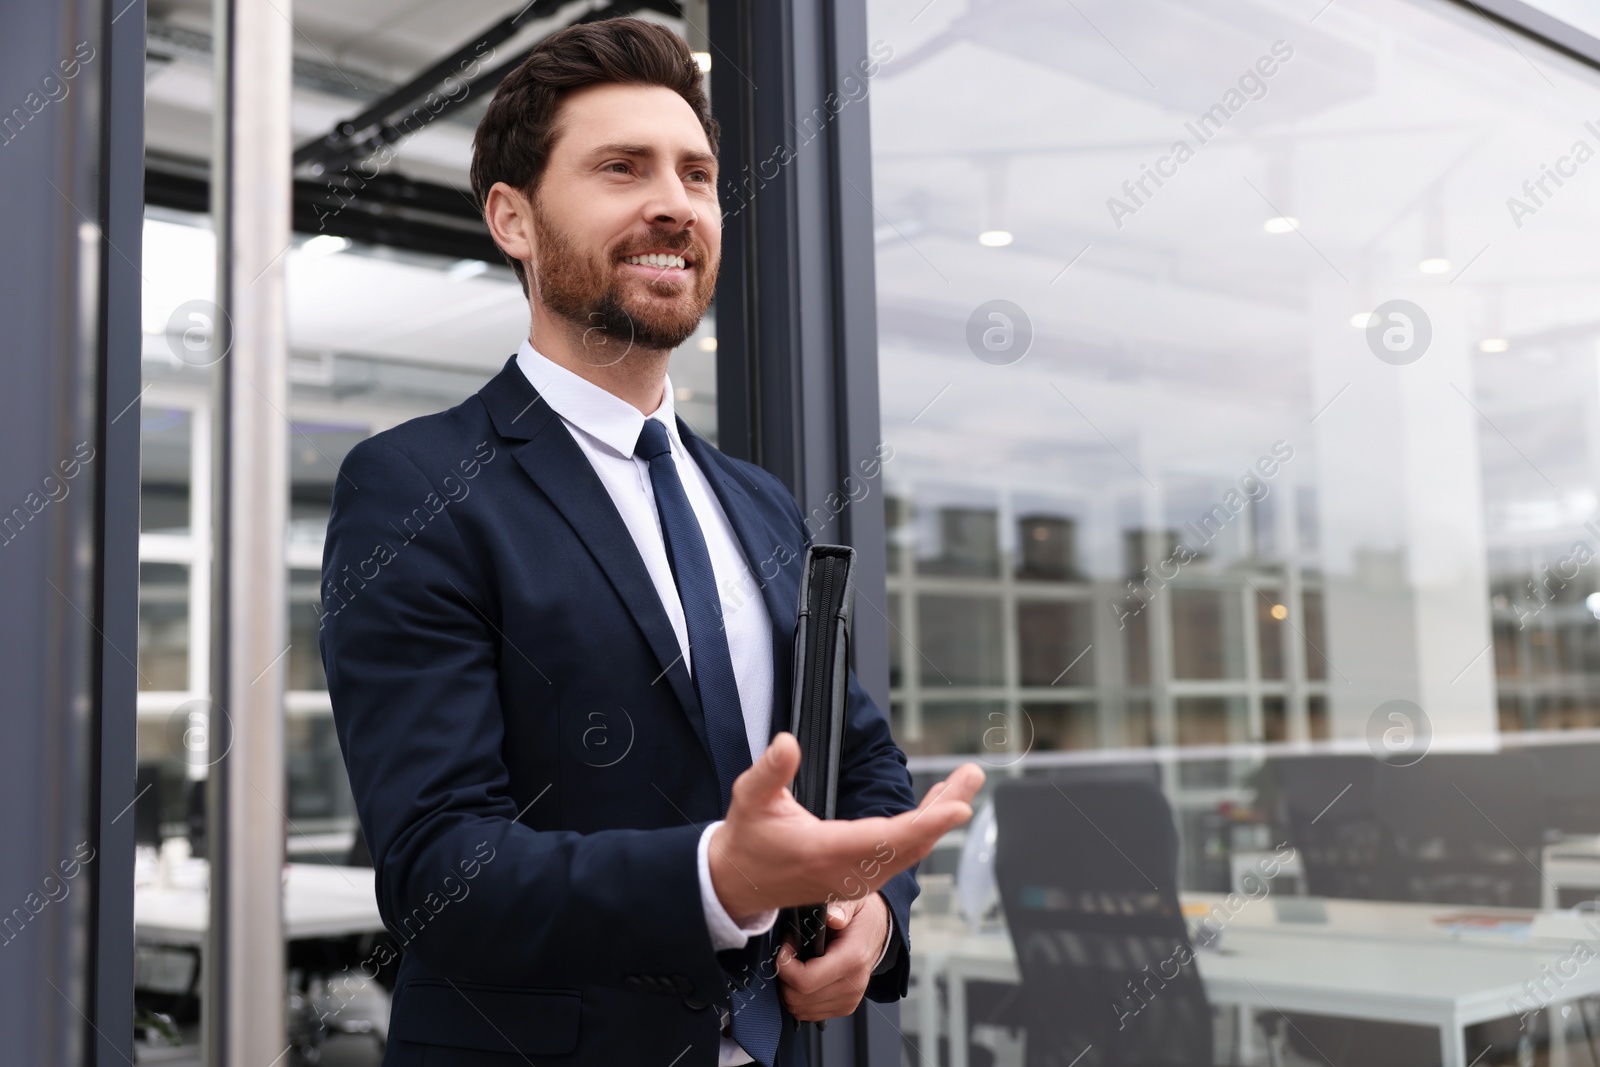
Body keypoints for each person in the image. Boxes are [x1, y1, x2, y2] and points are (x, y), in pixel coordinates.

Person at [319, 17, 984, 1067]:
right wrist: (719, 878)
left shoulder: (758, 502)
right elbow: (438, 866)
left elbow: (861, 763)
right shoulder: (415, 485)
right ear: (513, 219)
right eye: (620, 169)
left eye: (697, 173)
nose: (673, 201)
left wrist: (875, 913)